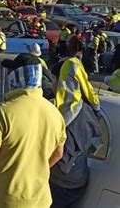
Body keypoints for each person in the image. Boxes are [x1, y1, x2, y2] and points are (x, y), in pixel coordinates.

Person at [0, 53, 66, 208]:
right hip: (40, 200)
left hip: (3, 200)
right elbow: (58, 154)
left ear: (15, 77)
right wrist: (34, 170)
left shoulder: (3, 112)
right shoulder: (55, 113)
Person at [50, 59, 102, 208]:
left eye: (54, 79)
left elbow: (60, 156)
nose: (53, 84)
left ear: (61, 82)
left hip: (61, 182)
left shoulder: (66, 115)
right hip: (79, 179)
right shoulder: (89, 107)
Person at [57, 36, 100, 126]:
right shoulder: (73, 63)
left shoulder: (62, 62)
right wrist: (96, 106)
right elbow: (86, 87)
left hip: (59, 111)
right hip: (71, 113)